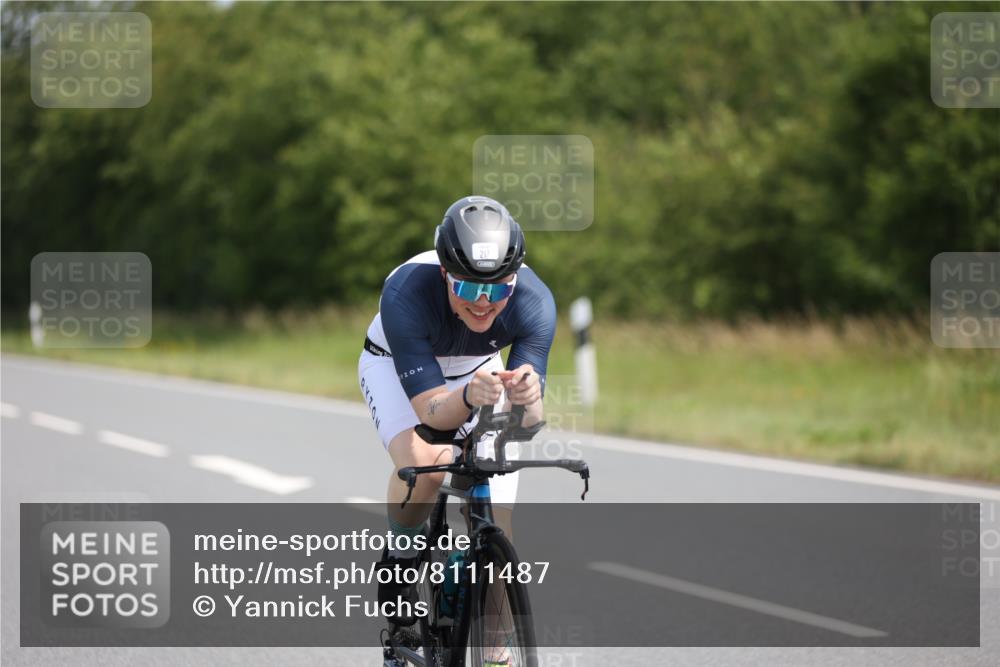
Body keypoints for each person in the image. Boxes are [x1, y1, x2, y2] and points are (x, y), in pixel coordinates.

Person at [357, 195, 557, 632]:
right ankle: (402, 557)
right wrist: (467, 398)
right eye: (468, 287)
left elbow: (526, 426)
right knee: (426, 467)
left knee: (497, 519)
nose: (483, 302)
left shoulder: (535, 301)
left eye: (499, 288)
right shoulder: (405, 291)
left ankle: (498, 650)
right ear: (446, 273)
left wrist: (528, 397)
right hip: (396, 366)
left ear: (515, 279)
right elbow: (432, 412)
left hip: (477, 369)